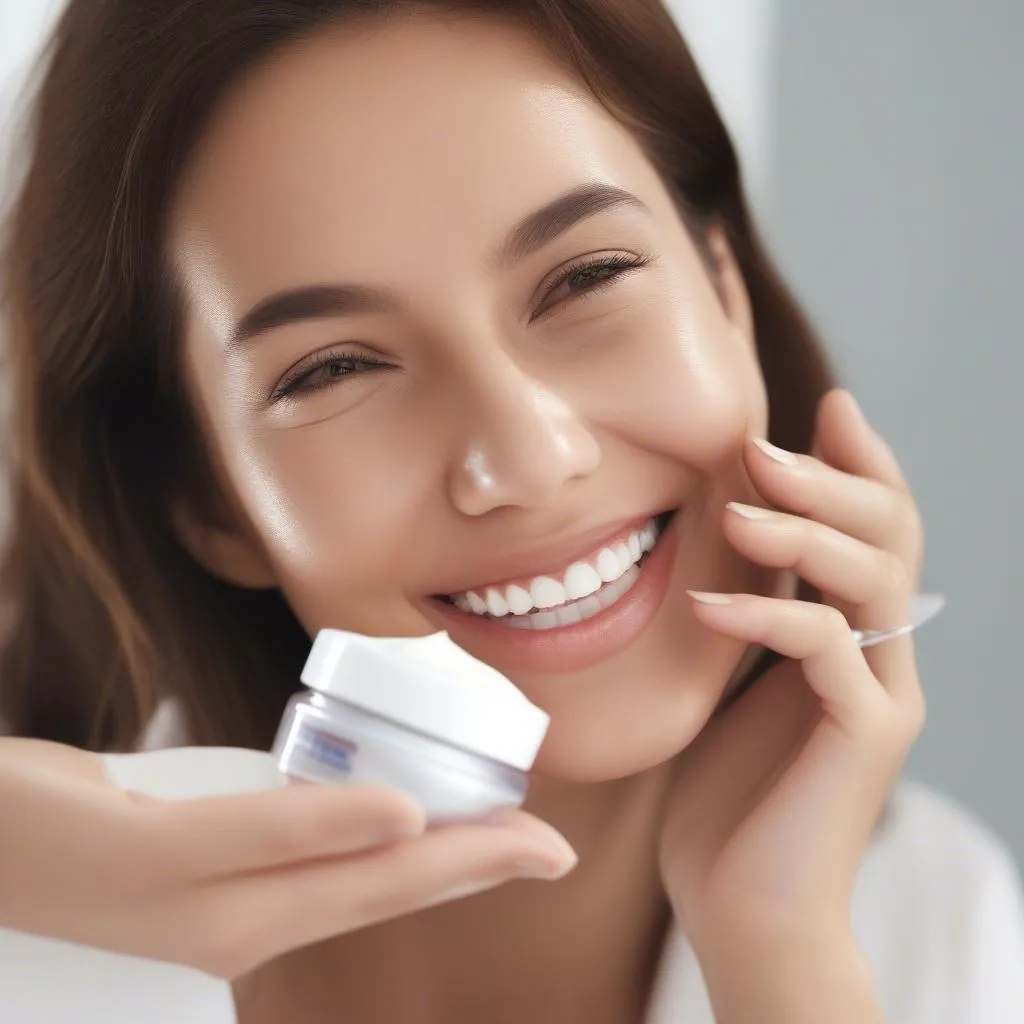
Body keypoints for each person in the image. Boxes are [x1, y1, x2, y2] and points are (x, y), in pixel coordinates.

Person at [0, 1, 1021, 1021]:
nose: (527, 459)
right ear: (208, 499)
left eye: (588, 276)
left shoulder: (940, 929)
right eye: (337, 367)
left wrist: (779, 955)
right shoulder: (36, 942)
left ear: (725, 290)